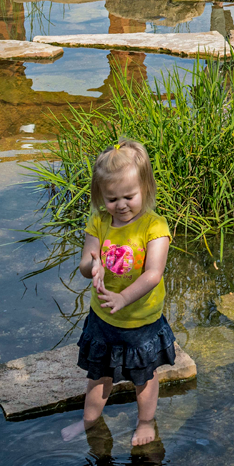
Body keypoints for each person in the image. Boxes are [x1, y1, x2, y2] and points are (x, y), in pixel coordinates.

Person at [74, 140, 175, 447]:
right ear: (101, 197)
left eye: (129, 196)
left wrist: (123, 298)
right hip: (103, 319)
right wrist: (95, 266)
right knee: (98, 376)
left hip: (140, 322)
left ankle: (146, 421)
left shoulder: (155, 227)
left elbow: (153, 274)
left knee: (143, 378)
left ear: (145, 189)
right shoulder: (99, 222)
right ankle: (88, 422)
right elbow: (85, 261)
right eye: (111, 198)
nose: (120, 205)